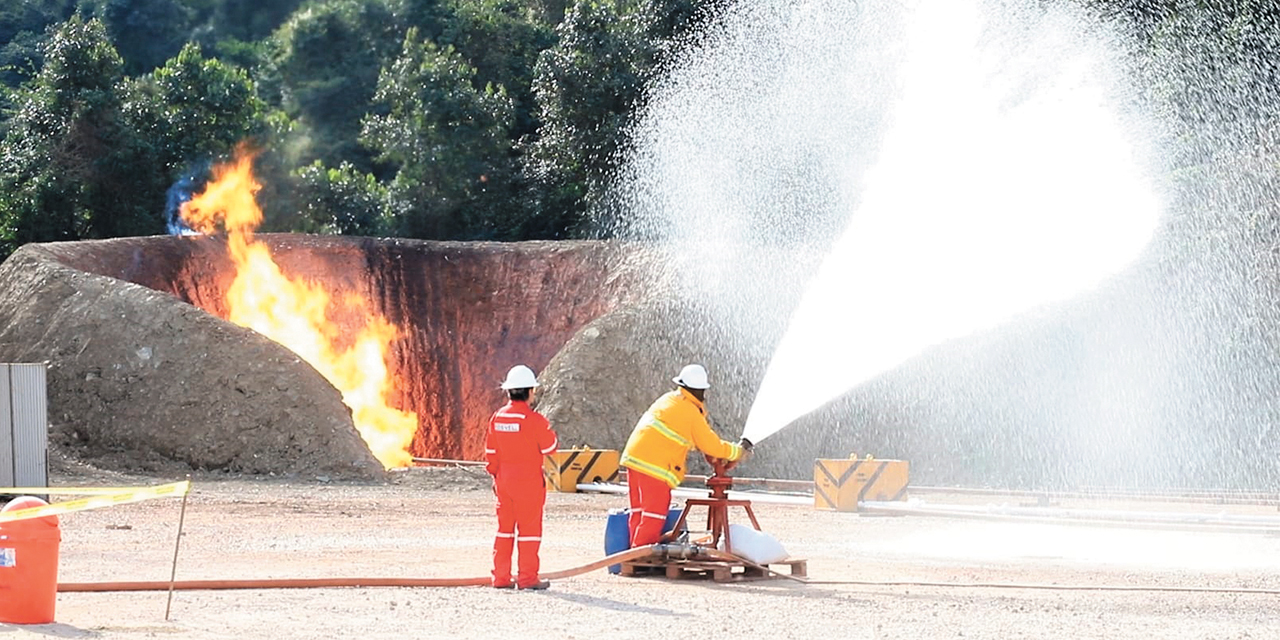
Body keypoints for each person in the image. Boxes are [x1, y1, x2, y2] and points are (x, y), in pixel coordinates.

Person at [620, 363, 753, 547]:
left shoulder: (669, 399)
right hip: (654, 466)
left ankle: (633, 553)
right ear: (702, 391)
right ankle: (641, 554)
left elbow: (691, 439)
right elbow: (712, 445)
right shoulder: (690, 411)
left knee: (639, 511)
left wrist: (710, 453)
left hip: (634, 459)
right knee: (654, 513)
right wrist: (737, 452)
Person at [484, 364, 558, 590]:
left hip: (504, 481)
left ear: (508, 391)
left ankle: (501, 578)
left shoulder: (497, 418)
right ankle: (527, 579)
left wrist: (496, 477)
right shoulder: (535, 420)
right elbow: (551, 447)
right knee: (529, 532)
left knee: (504, 531)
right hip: (528, 483)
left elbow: (491, 454)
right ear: (529, 392)